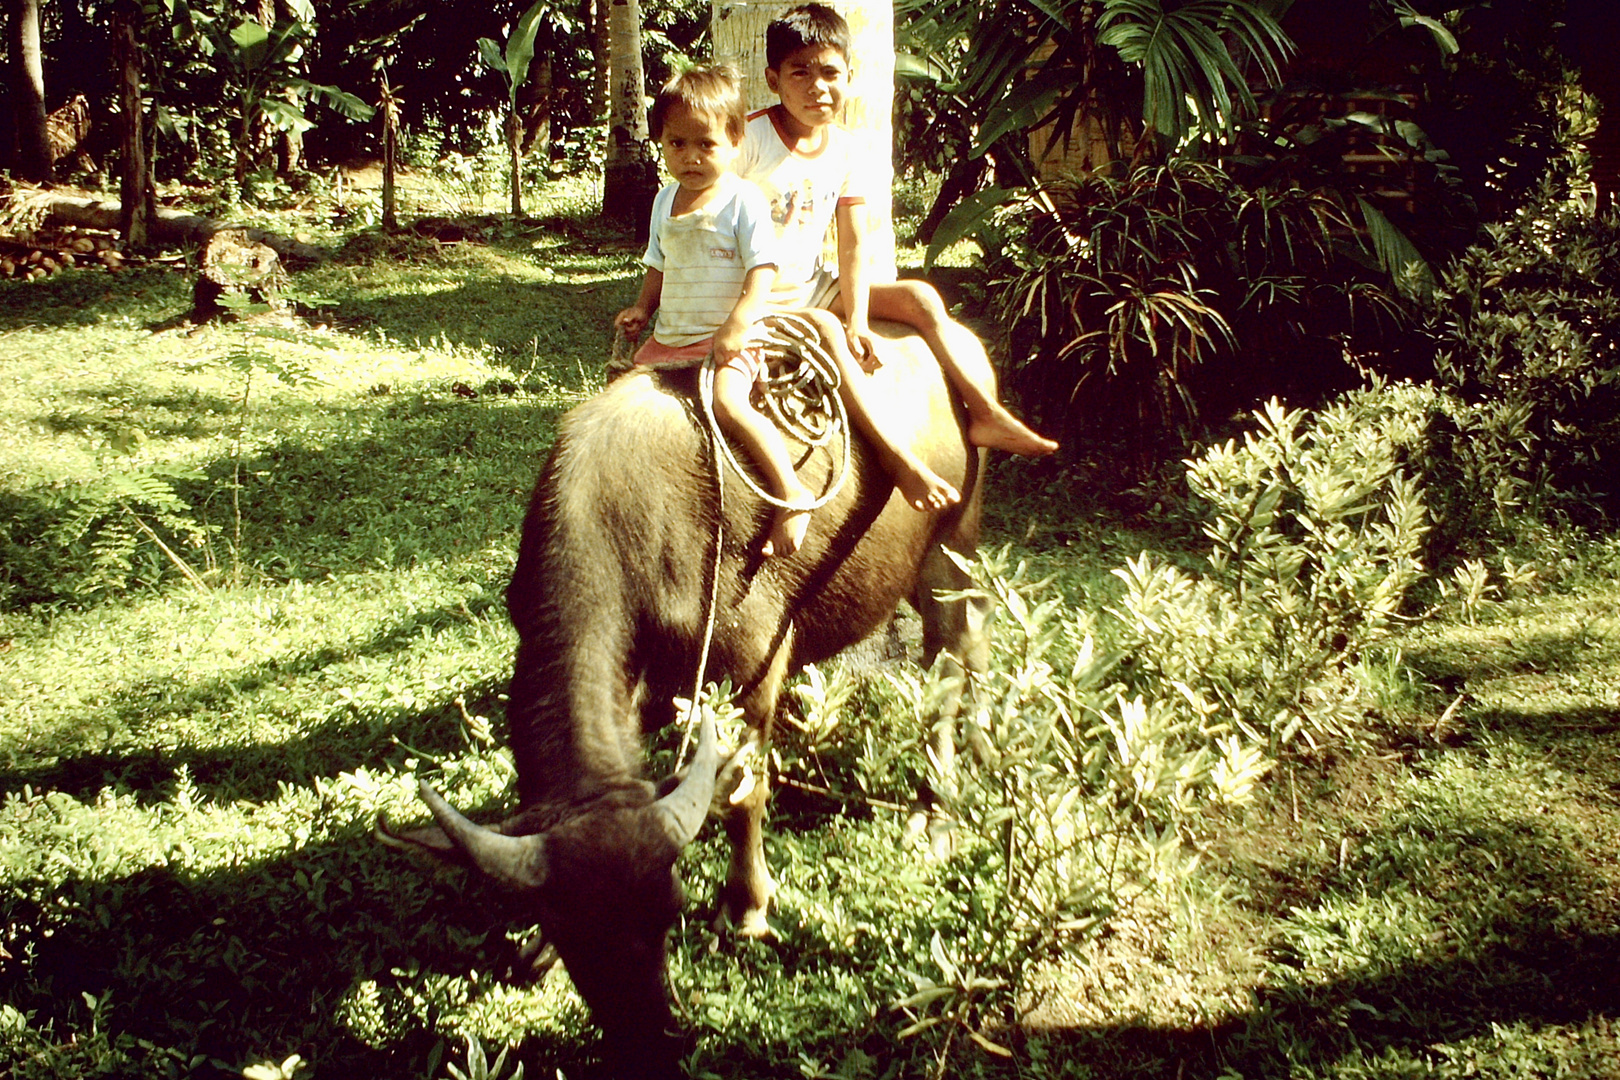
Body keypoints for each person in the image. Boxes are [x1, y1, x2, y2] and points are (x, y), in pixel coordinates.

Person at [614, 65, 956, 557]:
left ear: (736, 142)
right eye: (676, 144)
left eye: (705, 145)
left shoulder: (743, 200)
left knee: (731, 404)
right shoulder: (664, 200)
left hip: (730, 337)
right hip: (672, 334)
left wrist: (740, 322)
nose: (690, 158)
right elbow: (658, 263)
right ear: (662, 144)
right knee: (625, 398)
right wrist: (642, 308)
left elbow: (763, 269)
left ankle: (791, 492)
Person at [735, 3, 1058, 459]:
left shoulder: (846, 151)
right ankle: (892, 458)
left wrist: (860, 319)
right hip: (750, 294)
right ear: (773, 80)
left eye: (830, 73)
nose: (818, 87)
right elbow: (703, 216)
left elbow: (852, 242)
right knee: (828, 335)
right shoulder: (746, 139)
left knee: (921, 299)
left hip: (811, 286)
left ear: (849, 75)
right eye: (799, 73)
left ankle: (985, 412)